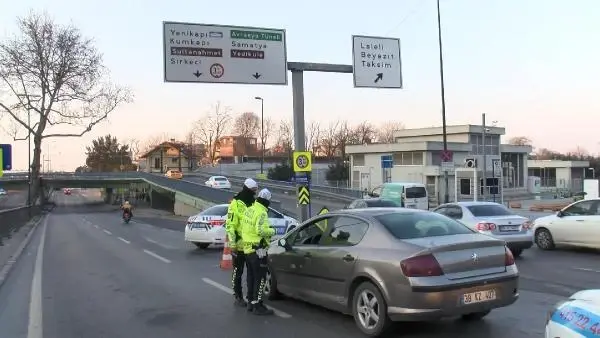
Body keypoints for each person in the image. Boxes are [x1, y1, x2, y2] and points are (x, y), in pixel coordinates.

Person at [225, 178, 258, 307]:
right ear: (247, 190)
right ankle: (238, 296)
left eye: (255, 191)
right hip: (238, 246)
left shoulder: (253, 203)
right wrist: (232, 244)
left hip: (250, 245)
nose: (254, 193)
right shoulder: (236, 204)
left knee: (252, 273)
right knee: (238, 272)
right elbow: (230, 225)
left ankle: (251, 297)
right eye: (253, 191)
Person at [242, 188, 275, 315]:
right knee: (260, 278)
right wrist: (273, 231)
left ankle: (250, 303)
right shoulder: (261, 212)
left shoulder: (249, 209)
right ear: (267, 201)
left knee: (250, 277)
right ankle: (258, 305)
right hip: (258, 250)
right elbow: (261, 230)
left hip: (248, 249)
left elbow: (244, 228)